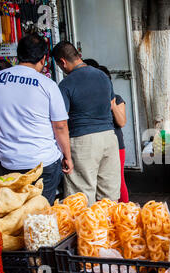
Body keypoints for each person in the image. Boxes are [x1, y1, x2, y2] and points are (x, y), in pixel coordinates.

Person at [0, 34, 73, 205]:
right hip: (42, 163)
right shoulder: (47, 84)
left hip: (9, 162)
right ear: (43, 59)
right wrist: (67, 156)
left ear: (18, 55)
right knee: (41, 213)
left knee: (15, 211)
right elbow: (60, 126)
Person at [52, 41, 121, 205]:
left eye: (60, 66)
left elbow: (61, 122)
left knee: (81, 197)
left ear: (62, 62)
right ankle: (109, 229)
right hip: (109, 138)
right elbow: (111, 103)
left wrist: (66, 155)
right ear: (78, 55)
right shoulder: (102, 76)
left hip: (83, 142)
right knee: (109, 195)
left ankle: (87, 230)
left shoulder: (66, 84)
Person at [98, 65, 130, 203]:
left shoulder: (117, 99)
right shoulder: (92, 101)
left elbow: (122, 122)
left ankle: (126, 211)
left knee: (119, 180)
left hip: (117, 146)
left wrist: (112, 105)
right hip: (98, 145)